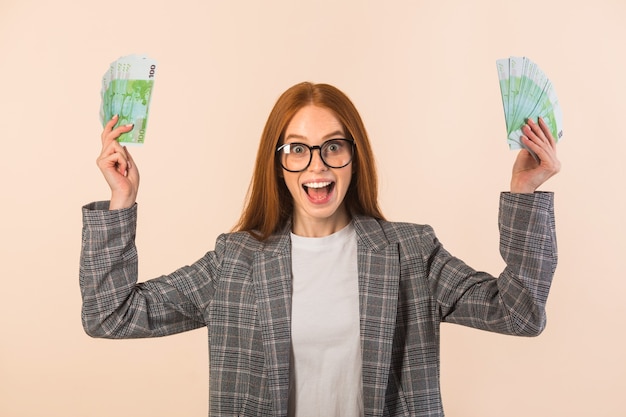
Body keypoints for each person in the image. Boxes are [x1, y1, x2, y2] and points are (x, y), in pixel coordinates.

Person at [80, 81, 560, 417]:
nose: (318, 165)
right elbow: (111, 315)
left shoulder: (410, 253)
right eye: (297, 148)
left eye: (333, 146)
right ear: (279, 162)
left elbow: (519, 313)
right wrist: (121, 202)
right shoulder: (236, 262)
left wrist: (524, 194)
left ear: (354, 157)